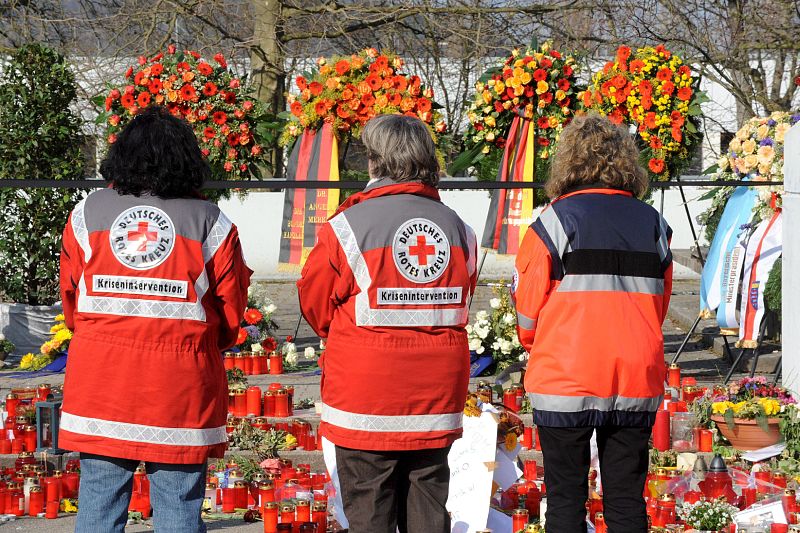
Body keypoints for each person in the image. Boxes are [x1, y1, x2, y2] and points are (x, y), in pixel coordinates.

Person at [59, 105, 251, 533]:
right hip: (179, 387)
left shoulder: (86, 214)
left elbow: (71, 300)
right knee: (179, 508)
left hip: (101, 384)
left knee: (97, 506)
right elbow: (230, 311)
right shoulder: (210, 222)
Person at [297, 114, 477, 533]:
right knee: (429, 508)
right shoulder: (459, 229)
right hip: (435, 396)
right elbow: (461, 300)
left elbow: (315, 303)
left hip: (366, 397)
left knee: (370, 511)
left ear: (375, 161)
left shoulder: (347, 227)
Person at [513, 112, 673, 533]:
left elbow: (527, 313)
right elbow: (659, 304)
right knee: (627, 499)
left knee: (565, 500)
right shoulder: (653, 224)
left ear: (568, 161)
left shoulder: (552, 222)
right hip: (635, 375)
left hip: (565, 376)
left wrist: (538, 344)